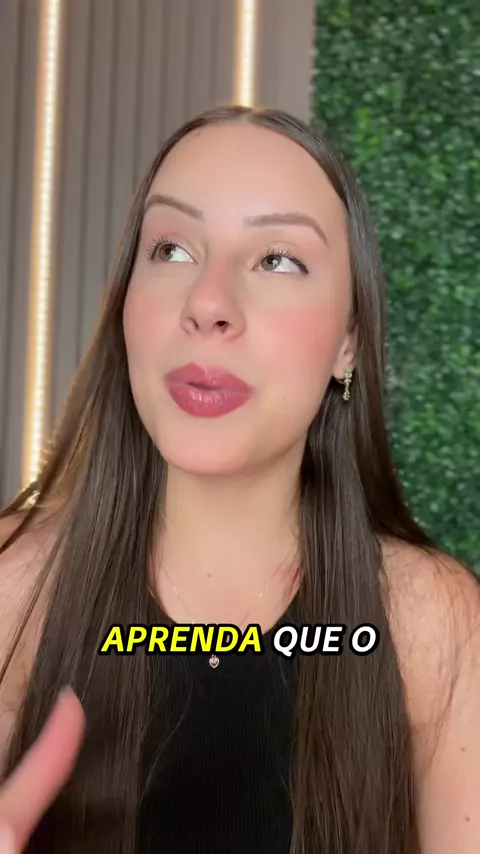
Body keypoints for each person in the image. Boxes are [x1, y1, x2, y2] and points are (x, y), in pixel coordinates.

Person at [0, 104, 478, 854]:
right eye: (171, 249)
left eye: (278, 259)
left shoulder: (432, 625)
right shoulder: (14, 589)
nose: (208, 304)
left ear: (348, 343)